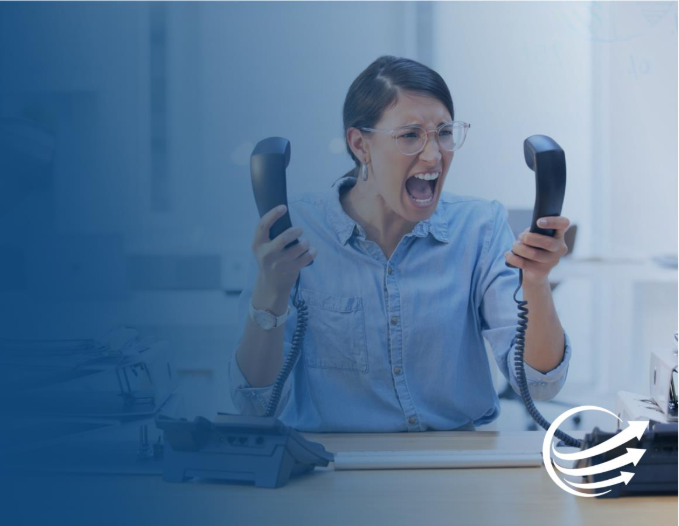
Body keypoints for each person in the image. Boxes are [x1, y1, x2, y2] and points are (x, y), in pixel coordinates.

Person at [229, 55, 572, 432]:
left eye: (443, 132)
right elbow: (254, 402)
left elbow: (540, 383)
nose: (433, 155)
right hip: (330, 468)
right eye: (410, 135)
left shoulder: (480, 227)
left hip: (457, 463)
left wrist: (536, 286)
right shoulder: (295, 235)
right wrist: (271, 291)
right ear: (360, 145)